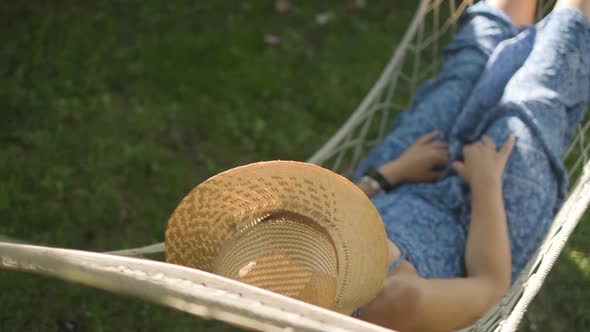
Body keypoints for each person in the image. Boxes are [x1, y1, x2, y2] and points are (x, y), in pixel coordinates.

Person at [352, 0, 590, 330]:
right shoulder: (393, 305)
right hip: (479, 227)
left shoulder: (282, 273)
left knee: (467, 67)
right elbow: (490, 285)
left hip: (397, 178)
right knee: (535, 94)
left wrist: (388, 174)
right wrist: (486, 183)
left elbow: (332, 206)